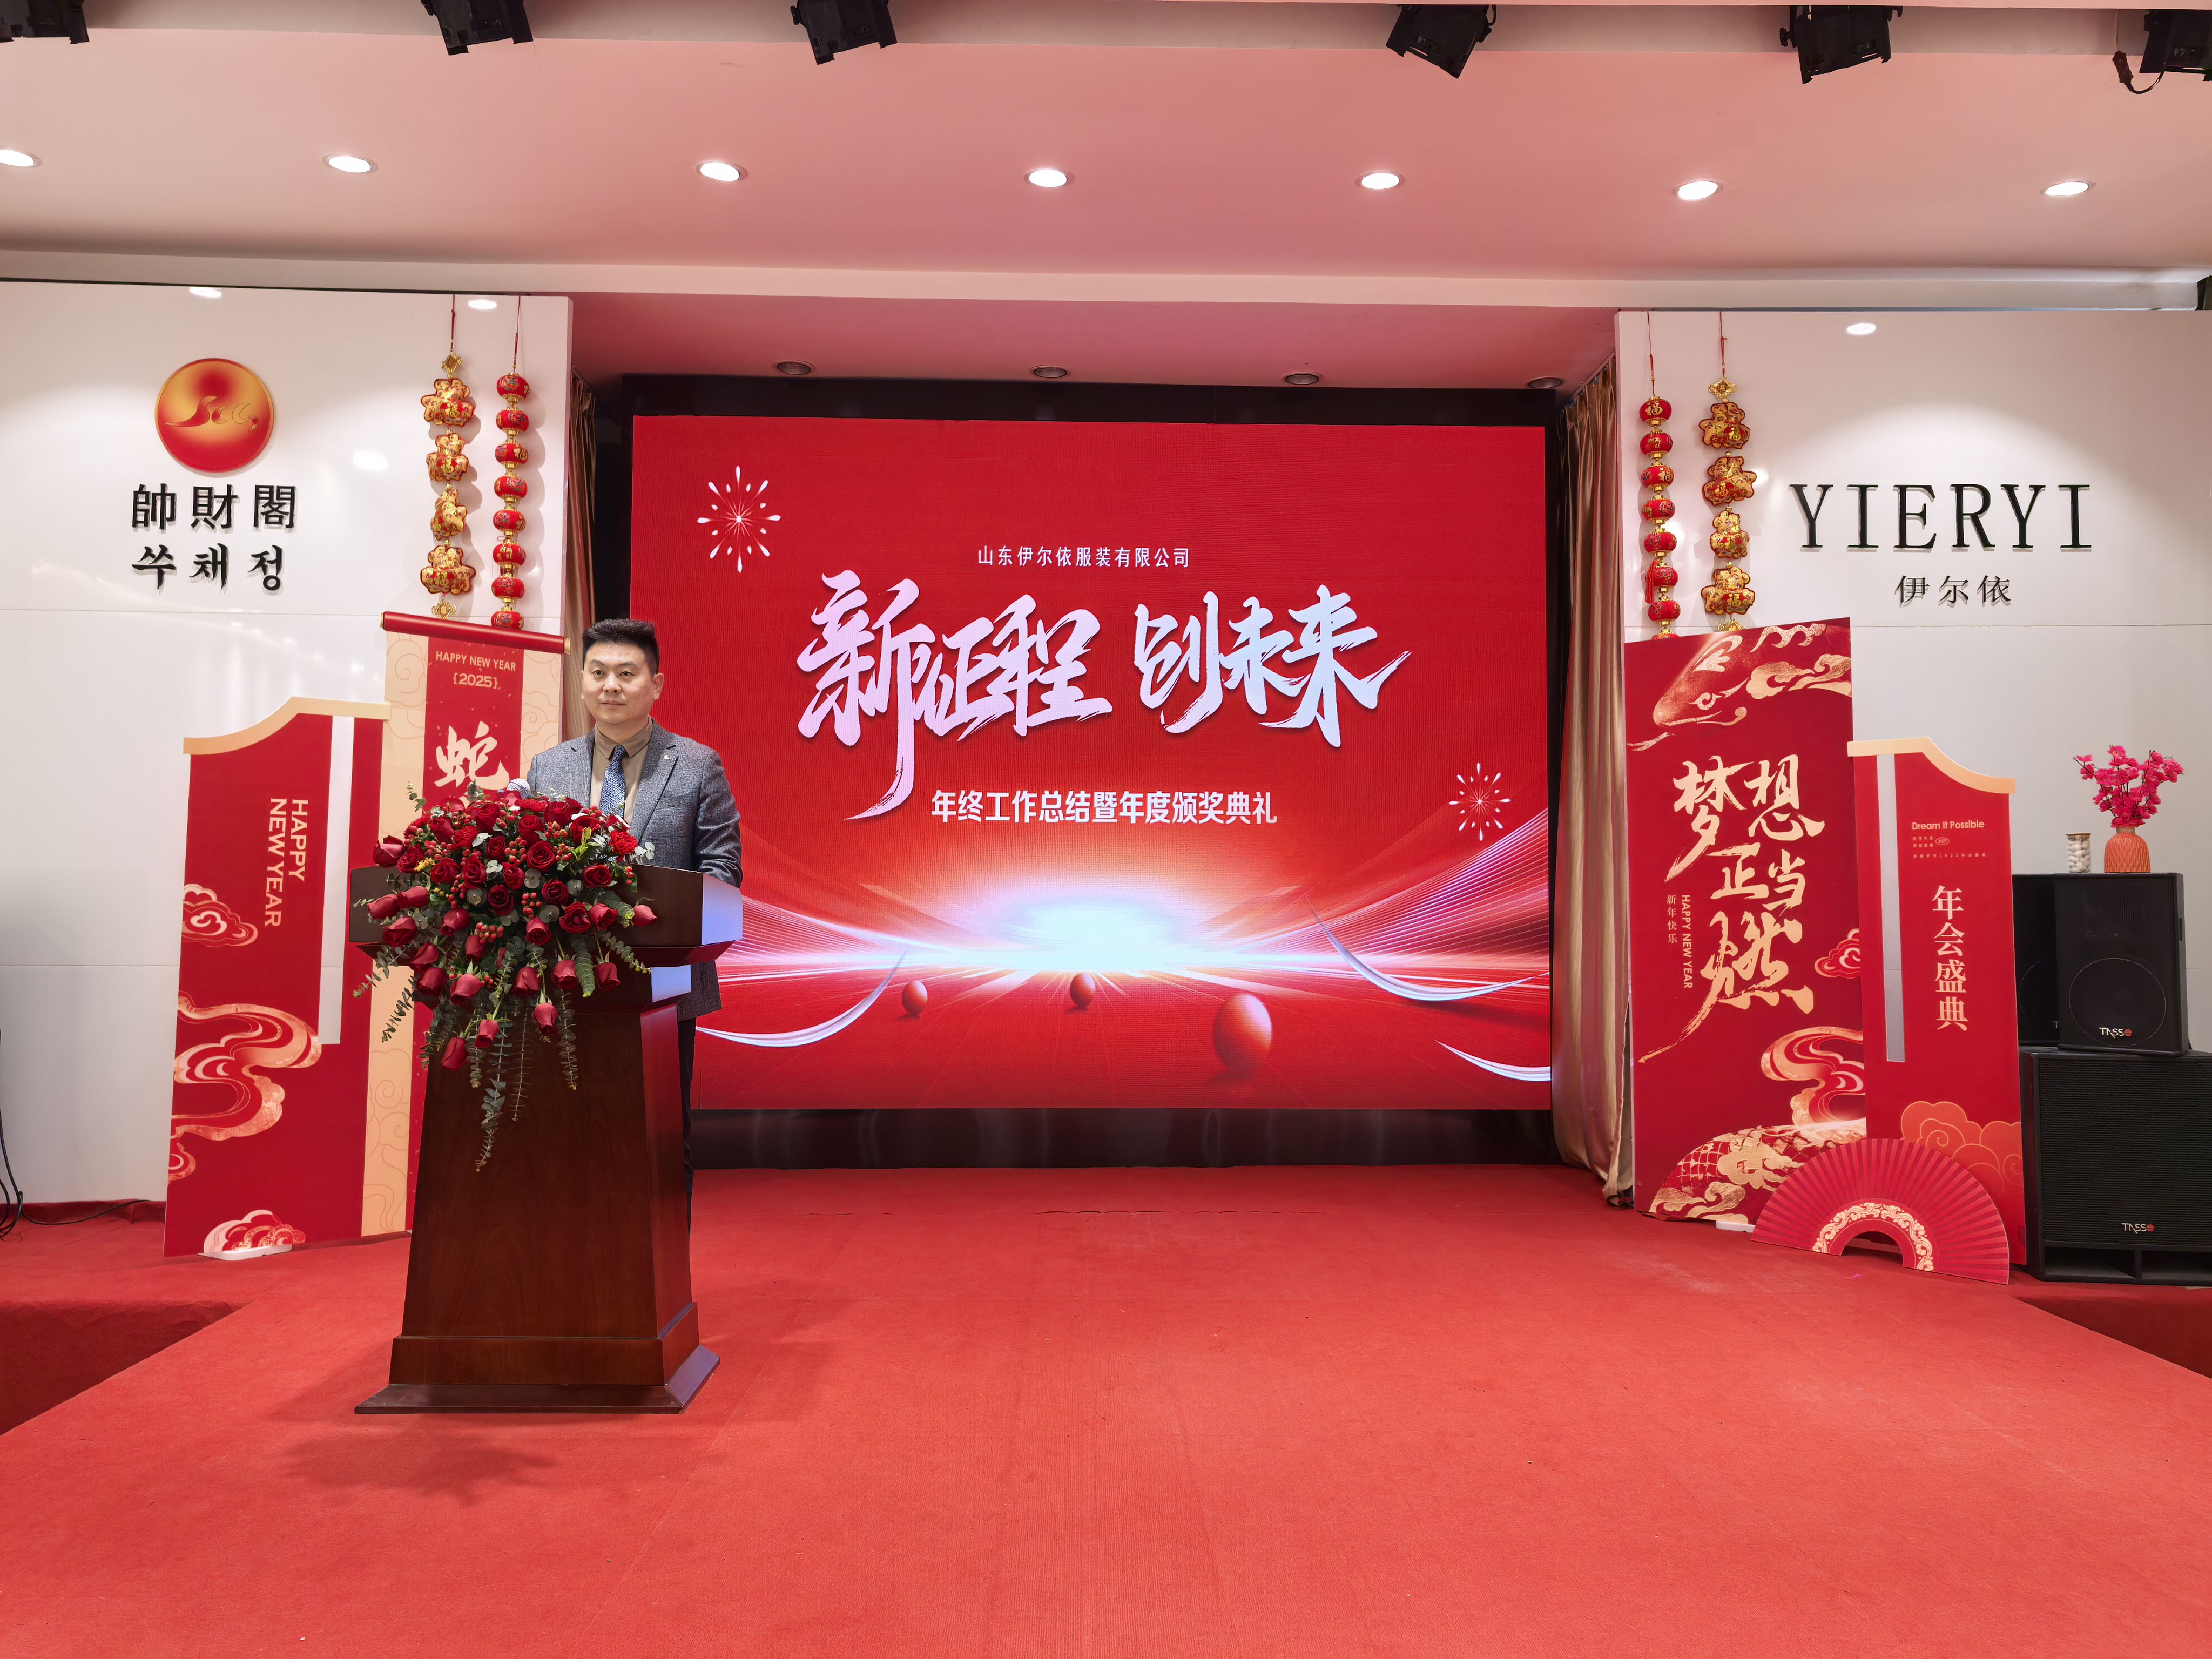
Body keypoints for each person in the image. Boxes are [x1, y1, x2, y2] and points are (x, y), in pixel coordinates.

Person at [525, 618, 740, 1211]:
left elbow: (723, 870)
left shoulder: (696, 765)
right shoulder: (548, 768)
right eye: (598, 673)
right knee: (568, 1137)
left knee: (661, 1144)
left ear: (656, 684)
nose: (610, 686)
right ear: (582, 682)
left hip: (663, 983)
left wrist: (656, 909)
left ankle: (665, 1269)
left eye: (626, 673)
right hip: (566, 981)